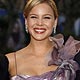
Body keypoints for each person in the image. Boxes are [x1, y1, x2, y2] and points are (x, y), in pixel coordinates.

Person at [6, 0, 80, 80]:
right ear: (26, 21)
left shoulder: (71, 56)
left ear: (55, 21)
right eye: (34, 17)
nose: (40, 23)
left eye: (46, 17)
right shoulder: (10, 61)